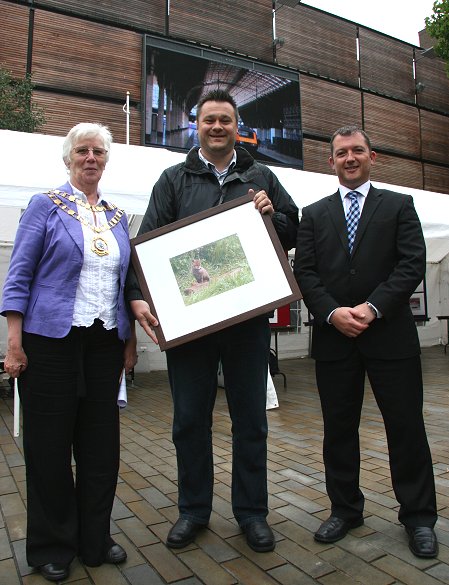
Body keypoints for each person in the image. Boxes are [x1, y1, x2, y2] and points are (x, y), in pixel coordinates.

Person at [127, 89, 299, 552]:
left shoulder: (260, 175)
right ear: (197, 126)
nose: (218, 127)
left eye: (226, 120)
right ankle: (193, 511)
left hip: (246, 323)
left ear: (236, 125)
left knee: (251, 422)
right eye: (209, 120)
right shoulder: (173, 178)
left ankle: (251, 513)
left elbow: (292, 229)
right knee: (188, 420)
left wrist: (271, 214)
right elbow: (147, 246)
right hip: (191, 328)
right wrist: (139, 296)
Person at [0, 123, 137, 581]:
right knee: (49, 447)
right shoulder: (45, 206)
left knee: (101, 448)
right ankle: (51, 545)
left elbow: (126, 286)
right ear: (68, 159)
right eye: (83, 151)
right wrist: (14, 342)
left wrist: (129, 343)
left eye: (99, 151)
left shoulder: (118, 218)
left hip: (104, 343)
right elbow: (19, 276)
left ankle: (94, 538)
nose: (92, 158)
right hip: (50, 342)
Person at [294, 125, 438, 558]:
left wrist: (372, 308)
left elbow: (412, 263)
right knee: (339, 430)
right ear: (331, 161)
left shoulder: (399, 205)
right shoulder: (313, 214)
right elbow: (306, 273)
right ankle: (345, 509)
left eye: (358, 150)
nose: (350, 158)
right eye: (342, 153)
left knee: (406, 428)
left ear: (373, 157)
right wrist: (333, 312)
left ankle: (418, 517)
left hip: (390, 336)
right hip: (335, 340)